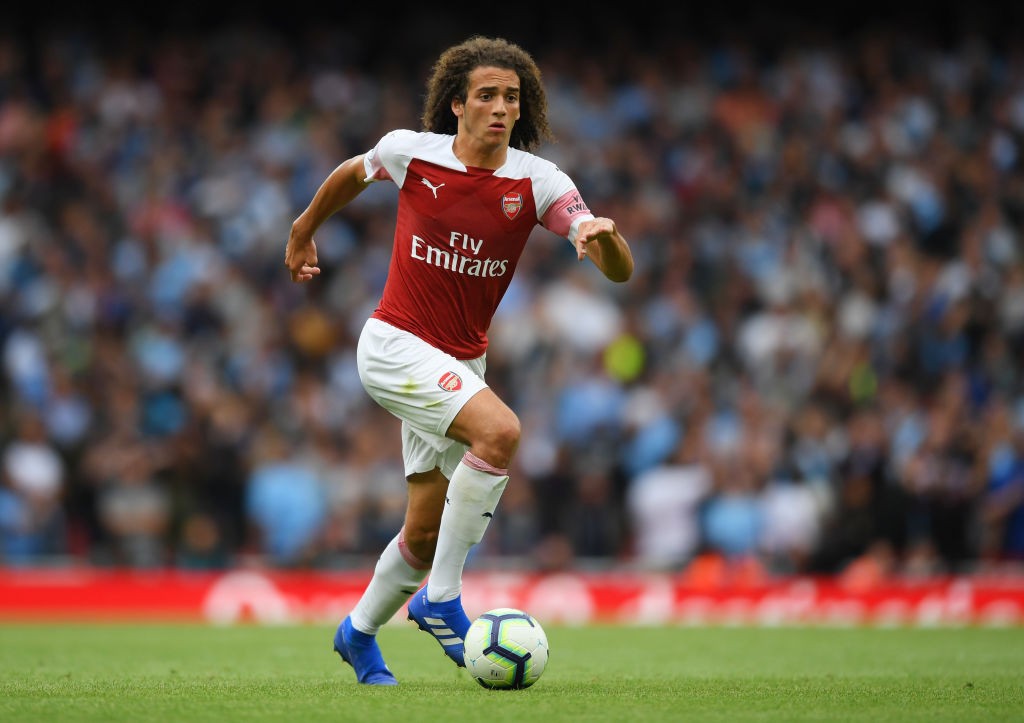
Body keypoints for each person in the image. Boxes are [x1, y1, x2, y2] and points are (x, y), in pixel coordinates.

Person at [284, 35, 633, 686]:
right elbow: (351, 174)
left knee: (421, 534)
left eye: (512, 97)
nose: (501, 108)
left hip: (460, 364)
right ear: (456, 104)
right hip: (393, 343)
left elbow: (618, 270)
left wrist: (599, 236)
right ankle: (442, 599)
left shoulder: (538, 181)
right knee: (499, 432)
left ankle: (357, 632)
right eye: (487, 95)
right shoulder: (411, 152)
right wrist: (304, 229)